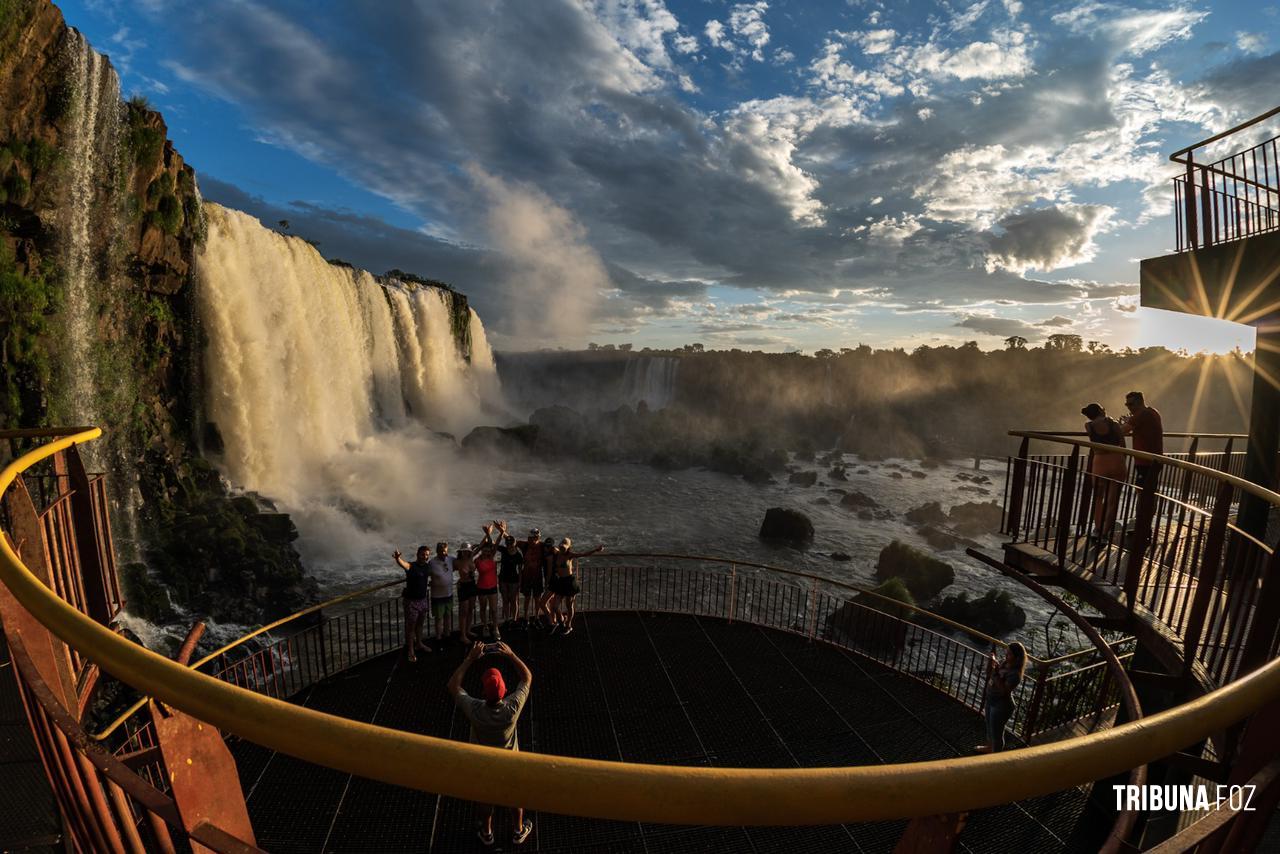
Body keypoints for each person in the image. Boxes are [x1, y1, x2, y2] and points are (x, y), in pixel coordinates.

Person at [448, 641, 534, 847]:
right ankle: (518, 830)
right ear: (504, 690)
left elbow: (453, 685)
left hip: (484, 764)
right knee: (515, 796)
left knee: (485, 798)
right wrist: (511, 654)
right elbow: (527, 678)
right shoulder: (512, 708)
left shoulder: (475, 709)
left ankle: (487, 833)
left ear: (484, 692)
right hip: (509, 762)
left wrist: (470, 658)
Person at [1082, 403, 1126, 543]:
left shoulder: (1088, 426)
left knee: (1098, 498)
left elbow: (1094, 436)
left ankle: (1097, 529)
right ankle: (1105, 535)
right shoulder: (1113, 423)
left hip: (1100, 462)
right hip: (1117, 461)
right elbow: (1122, 443)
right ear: (1101, 410)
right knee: (1112, 501)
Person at [548, 538, 604, 635]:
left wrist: (596, 550)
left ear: (568, 547)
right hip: (560, 582)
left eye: (564, 547)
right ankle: (561, 620)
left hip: (569, 582)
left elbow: (584, 554)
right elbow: (545, 546)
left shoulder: (570, 555)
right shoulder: (557, 552)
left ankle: (568, 625)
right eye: (561, 546)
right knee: (555, 606)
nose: (562, 548)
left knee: (569, 606)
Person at [977, 642, 1026, 753]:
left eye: (1009, 654)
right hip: (991, 700)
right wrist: (991, 663)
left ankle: (996, 757)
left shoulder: (1015, 674)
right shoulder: (1005, 664)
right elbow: (990, 674)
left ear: (1017, 657)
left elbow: (1003, 690)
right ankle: (990, 748)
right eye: (1006, 653)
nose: (1006, 656)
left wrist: (995, 673)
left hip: (1001, 705)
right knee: (989, 727)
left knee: (997, 733)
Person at [392, 546, 433, 661]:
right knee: (411, 628)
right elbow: (403, 564)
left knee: (420, 624)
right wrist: (397, 559)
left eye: (426, 555)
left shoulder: (427, 566)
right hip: (411, 602)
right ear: (417, 554)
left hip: (423, 600)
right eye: (422, 554)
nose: (425, 556)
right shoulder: (412, 566)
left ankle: (419, 643)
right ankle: (410, 650)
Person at [1121, 391, 1163, 487]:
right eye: (1126, 404)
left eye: (1130, 404)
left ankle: (1144, 502)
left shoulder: (1141, 414)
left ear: (1139, 402)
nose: (1128, 407)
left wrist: (1123, 423)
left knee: (1142, 490)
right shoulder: (1153, 411)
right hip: (1154, 458)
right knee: (1148, 489)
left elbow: (1121, 432)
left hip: (1145, 460)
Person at [425, 541, 456, 646]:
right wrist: (430, 583)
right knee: (439, 619)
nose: (445, 554)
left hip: (449, 594)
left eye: (446, 551)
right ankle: (438, 638)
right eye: (443, 552)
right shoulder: (432, 563)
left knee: (448, 616)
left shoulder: (450, 559)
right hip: (437, 596)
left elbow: (464, 560)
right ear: (437, 551)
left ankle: (447, 636)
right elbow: (424, 574)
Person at [475, 525, 501, 641]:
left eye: (488, 549)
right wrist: (486, 535)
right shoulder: (477, 560)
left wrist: (497, 533)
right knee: (483, 608)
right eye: (484, 549)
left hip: (492, 587)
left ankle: (495, 628)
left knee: (494, 609)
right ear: (482, 550)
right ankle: (485, 626)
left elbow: (495, 544)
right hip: (481, 587)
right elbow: (472, 553)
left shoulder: (492, 557)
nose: (486, 551)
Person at [516, 528, 546, 627]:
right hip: (527, 576)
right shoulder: (524, 545)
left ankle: (537, 617)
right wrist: (502, 532)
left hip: (537, 576)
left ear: (538, 537)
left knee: (537, 598)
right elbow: (510, 540)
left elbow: (554, 550)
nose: (531, 539)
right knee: (527, 598)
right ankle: (525, 618)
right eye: (530, 537)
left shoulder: (542, 546)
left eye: (534, 537)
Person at [496, 529, 524, 629]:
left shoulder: (518, 555)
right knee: (505, 600)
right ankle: (507, 620)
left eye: (510, 544)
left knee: (513, 600)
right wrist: (501, 533)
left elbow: (520, 570)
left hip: (514, 580)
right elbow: (494, 545)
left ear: (514, 544)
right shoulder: (503, 550)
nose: (508, 546)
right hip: (503, 579)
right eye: (507, 544)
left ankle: (514, 619)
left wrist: (520, 582)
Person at [456, 544, 479, 640]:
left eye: (467, 551)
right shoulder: (457, 562)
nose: (465, 552)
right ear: (461, 552)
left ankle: (468, 630)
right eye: (464, 551)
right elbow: (446, 569)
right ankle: (463, 635)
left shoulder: (471, 558)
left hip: (472, 585)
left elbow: (480, 547)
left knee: (470, 609)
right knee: (463, 612)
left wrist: (487, 534)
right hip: (463, 587)